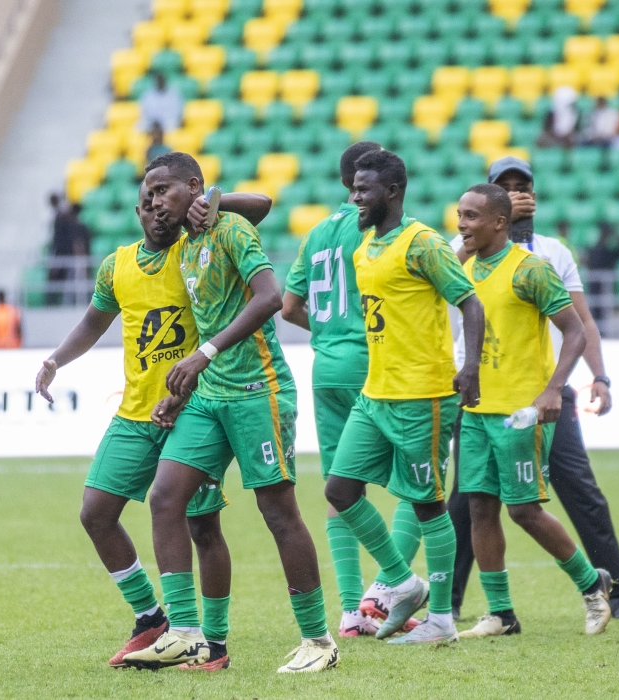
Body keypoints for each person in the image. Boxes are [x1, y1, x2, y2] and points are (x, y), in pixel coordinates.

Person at [34, 177, 271, 672]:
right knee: (95, 512)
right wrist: (57, 359)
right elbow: (93, 323)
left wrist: (211, 204)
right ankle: (150, 617)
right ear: (137, 215)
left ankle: (212, 640)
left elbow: (261, 207)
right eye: (145, 203)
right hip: (135, 413)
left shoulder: (197, 248)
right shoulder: (116, 265)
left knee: (202, 525)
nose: (154, 209)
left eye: (162, 201)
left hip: (190, 408)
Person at [120, 152, 338, 673]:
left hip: (256, 389)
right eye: (147, 194)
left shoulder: (231, 229)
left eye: (163, 189)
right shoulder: (183, 244)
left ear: (195, 188)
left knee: (278, 511)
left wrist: (205, 355)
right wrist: (182, 387)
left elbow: (270, 299)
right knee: (166, 497)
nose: (152, 200)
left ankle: (319, 641)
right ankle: (190, 636)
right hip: (209, 395)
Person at [445, 156, 619, 620]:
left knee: (572, 492)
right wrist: (491, 223)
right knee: (471, 502)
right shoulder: (465, 246)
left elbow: (581, 323)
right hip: (475, 393)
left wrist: (598, 376)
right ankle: (464, 606)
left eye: (524, 184)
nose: (518, 192)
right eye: (505, 186)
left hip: (539, 394)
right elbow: (438, 281)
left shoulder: (549, 254)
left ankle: (612, 590)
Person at [323, 149, 484, 645]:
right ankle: (401, 581)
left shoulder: (423, 243)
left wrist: (470, 368)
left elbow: (470, 303)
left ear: (392, 192)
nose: (354, 198)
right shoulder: (365, 246)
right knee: (339, 491)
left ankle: (441, 622)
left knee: (427, 506)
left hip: (423, 396)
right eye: (352, 189)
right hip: (375, 394)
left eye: (364, 190)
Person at [280, 141, 424, 638]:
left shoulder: (317, 233)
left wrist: (325, 331)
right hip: (377, 364)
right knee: (416, 483)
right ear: (358, 184)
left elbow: (288, 305)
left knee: (341, 489)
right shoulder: (377, 231)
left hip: (326, 370)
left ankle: (349, 611)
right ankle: (388, 591)